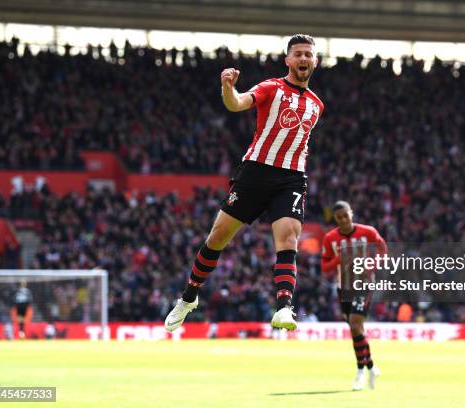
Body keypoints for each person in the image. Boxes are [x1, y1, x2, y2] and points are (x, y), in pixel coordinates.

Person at [165, 34, 324, 332]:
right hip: (255, 173)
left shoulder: (317, 105)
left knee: (289, 238)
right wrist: (228, 87)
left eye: (308, 55)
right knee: (217, 237)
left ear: (314, 61)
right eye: (298, 54)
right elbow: (237, 104)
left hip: (291, 177)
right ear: (288, 60)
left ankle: (284, 308)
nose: (303, 59)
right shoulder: (270, 87)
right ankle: (188, 297)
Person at [321, 201, 386, 390]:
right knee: (356, 329)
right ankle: (371, 367)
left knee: (356, 324)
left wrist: (372, 266)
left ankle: (359, 372)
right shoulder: (330, 238)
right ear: (335, 219)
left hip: (363, 284)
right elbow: (325, 267)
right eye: (338, 218)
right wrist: (337, 259)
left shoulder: (367, 232)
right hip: (344, 287)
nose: (342, 220)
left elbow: (383, 250)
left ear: (352, 214)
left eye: (345, 216)